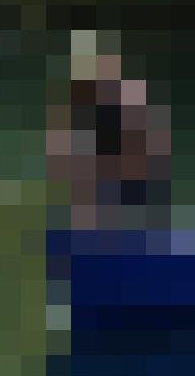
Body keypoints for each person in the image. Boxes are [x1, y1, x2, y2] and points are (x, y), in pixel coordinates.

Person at [50, 32, 171, 229]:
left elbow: (150, 143)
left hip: (129, 182)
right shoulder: (76, 100)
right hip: (94, 186)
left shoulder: (131, 92)